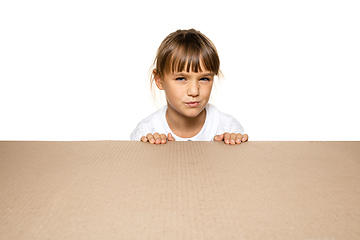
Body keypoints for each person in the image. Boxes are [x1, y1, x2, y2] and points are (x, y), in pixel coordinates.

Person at [130, 29, 248, 145]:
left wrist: (228, 151)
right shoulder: (146, 132)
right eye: (181, 79)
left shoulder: (228, 128)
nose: (194, 91)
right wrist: (154, 153)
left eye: (204, 79)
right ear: (159, 80)